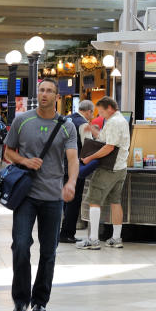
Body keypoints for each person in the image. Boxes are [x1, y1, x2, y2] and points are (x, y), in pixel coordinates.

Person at [3, 79, 77, 311]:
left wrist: (71, 182)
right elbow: (8, 152)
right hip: (26, 195)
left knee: (49, 251)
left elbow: (73, 159)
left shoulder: (66, 126)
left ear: (57, 96)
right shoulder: (22, 121)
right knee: (21, 246)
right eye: (41, 90)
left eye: (49, 91)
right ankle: (20, 300)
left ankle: (40, 300)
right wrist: (25, 161)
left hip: (53, 196)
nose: (44, 94)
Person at [76, 96, 131, 250]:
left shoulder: (114, 122)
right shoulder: (121, 120)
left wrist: (89, 158)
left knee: (94, 200)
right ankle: (116, 238)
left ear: (109, 108)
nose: (100, 115)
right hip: (121, 168)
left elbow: (109, 147)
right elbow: (104, 139)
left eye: (101, 112)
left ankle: (93, 240)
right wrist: (93, 130)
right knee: (115, 202)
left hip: (108, 168)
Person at [59, 100, 94, 243]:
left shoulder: (66, 119)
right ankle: (67, 233)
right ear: (89, 111)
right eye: (92, 113)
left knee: (65, 199)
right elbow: (89, 146)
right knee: (74, 200)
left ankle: (62, 231)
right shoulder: (83, 124)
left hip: (61, 164)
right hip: (75, 166)